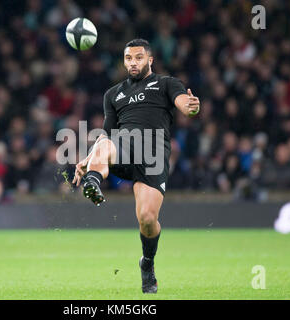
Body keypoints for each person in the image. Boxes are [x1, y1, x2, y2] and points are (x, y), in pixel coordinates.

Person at [72, 39, 200, 294]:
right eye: (129, 58)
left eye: (138, 57)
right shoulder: (113, 94)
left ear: (150, 60)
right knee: (106, 143)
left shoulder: (166, 83)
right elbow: (105, 135)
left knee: (147, 219)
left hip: (154, 155)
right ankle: (93, 182)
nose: (133, 62)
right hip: (125, 146)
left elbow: (182, 103)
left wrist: (190, 107)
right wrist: (88, 159)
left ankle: (147, 263)